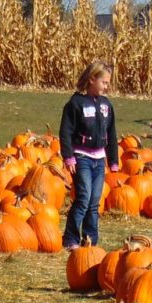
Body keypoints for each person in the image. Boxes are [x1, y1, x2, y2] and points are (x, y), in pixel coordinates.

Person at [58, 61, 118, 250]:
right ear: (92, 79)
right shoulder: (75, 104)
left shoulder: (106, 105)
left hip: (99, 159)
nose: (107, 86)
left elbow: (112, 133)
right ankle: (71, 239)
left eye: (108, 83)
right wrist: (68, 157)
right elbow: (65, 132)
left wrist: (113, 160)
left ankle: (90, 240)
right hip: (81, 157)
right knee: (83, 198)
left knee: (94, 202)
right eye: (104, 82)